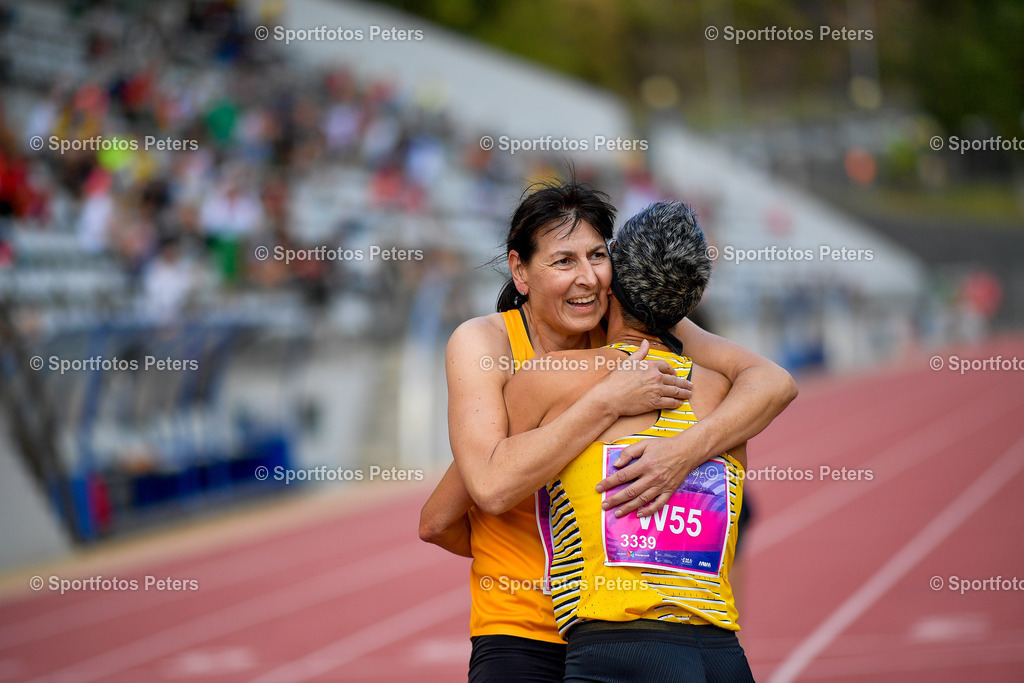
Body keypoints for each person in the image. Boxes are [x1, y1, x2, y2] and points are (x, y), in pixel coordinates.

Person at [419, 181, 796, 681]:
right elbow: (480, 491)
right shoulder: (486, 344)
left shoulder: (626, 315)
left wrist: (681, 452)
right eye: (563, 261)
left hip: (614, 626)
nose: (587, 278)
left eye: (598, 256)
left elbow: (773, 381)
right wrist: (605, 402)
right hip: (523, 628)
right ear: (520, 271)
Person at [504, 200, 761, 681]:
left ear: (613, 281)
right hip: (722, 655)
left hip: (616, 652)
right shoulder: (727, 395)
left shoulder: (550, 378)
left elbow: (484, 491)